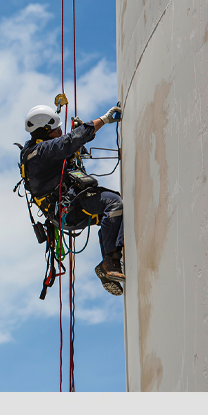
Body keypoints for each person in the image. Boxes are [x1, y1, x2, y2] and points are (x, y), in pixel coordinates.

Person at [20, 104, 125, 296]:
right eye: (56, 129)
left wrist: (74, 143)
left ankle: (111, 261)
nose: (60, 131)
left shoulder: (35, 150)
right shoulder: (40, 152)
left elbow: (62, 148)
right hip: (69, 209)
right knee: (114, 203)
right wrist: (103, 120)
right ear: (44, 131)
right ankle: (110, 261)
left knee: (111, 214)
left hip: (67, 208)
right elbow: (67, 143)